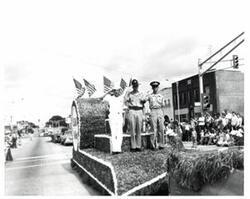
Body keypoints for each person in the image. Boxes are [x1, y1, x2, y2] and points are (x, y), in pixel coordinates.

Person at [98, 87, 124, 154]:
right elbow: (100, 99)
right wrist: (108, 92)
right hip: (112, 116)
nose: (117, 92)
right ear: (113, 91)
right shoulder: (110, 98)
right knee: (113, 133)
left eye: (118, 90)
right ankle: (114, 149)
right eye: (115, 90)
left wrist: (123, 118)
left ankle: (119, 149)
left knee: (119, 133)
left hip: (119, 116)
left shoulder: (121, 98)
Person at [124, 79, 145, 152]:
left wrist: (144, 114)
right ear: (132, 86)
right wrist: (127, 91)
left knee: (139, 129)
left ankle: (138, 146)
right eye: (134, 86)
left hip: (139, 110)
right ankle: (133, 146)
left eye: (136, 86)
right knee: (132, 129)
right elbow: (125, 101)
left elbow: (144, 103)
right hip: (132, 110)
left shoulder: (141, 94)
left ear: (138, 86)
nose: (135, 87)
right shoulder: (129, 94)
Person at [144, 81, 165, 150]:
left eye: (156, 87)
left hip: (160, 110)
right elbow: (143, 100)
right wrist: (146, 94)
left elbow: (163, 105)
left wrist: (162, 114)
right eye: (153, 87)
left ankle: (161, 144)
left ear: (158, 87)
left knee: (161, 128)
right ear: (152, 88)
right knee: (154, 129)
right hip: (153, 111)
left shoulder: (161, 96)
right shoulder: (150, 96)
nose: (155, 88)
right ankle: (153, 145)